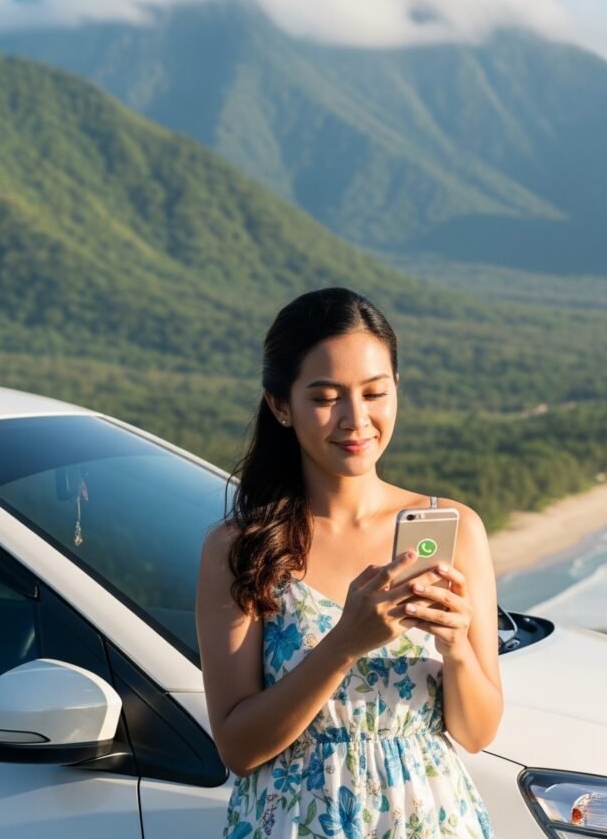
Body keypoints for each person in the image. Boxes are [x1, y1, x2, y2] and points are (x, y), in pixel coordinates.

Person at [196, 286, 502, 839]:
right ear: (280, 406)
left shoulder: (458, 528)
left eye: (374, 392)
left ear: (396, 391)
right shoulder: (239, 548)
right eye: (325, 396)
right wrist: (343, 643)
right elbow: (238, 748)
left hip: (430, 820)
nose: (356, 418)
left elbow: (477, 733)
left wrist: (456, 648)